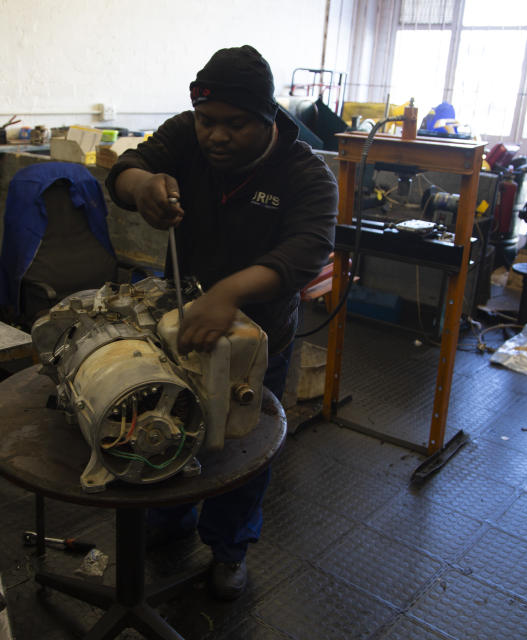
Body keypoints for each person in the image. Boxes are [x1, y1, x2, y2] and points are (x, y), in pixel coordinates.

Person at [105, 44, 338, 600]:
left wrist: (230, 292)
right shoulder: (186, 135)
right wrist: (141, 189)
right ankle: (169, 518)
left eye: (235, 124)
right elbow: (125, 168)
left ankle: (229, 547)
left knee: (240, 446)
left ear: (267, 118)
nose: (216, 136)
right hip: (178, 329)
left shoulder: (306, 174)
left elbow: (309, 249)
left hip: (258, 344)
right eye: (208, 121)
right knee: (171, 421)